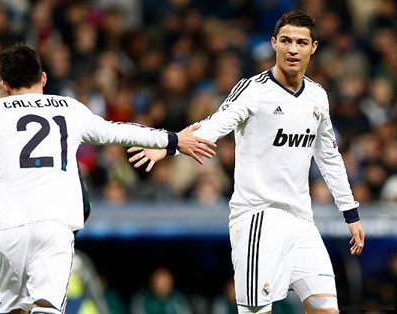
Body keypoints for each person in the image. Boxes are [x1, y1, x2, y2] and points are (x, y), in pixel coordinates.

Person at [0, 44, 216, 314]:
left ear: (5, 87)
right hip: (52, 225)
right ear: (43, 77)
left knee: (8, 309)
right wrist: (172, 139)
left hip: (3, 228)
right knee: (46, 307)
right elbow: (117, 131)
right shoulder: (69, 108)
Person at [128, 9, 365, 314]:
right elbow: (217, 122)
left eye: (301, 42)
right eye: (286, 41)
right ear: (273, 43)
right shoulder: (254, 90)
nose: (293, 49)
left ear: (313, 47)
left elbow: (329, 156)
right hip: (258, 218)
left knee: (327, 309)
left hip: (302, 221)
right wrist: (170, 145)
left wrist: (350, 211)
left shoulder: (318, 96)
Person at [0, 81, 94, 307]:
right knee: (44, 307)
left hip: (2, 235)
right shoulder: (57, 139)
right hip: (48, 233)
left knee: (10, 308)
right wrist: (62, 235)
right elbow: (84, 205)